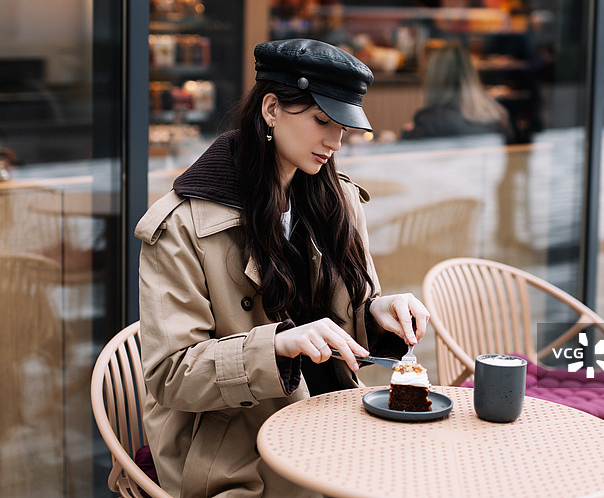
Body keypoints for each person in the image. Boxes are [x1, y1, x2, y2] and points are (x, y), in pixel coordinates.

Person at [135, 38, 431, 498]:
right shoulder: (184, 224)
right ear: (271, 108)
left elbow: (342, 321)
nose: (335, 142)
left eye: (343, 128)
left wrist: (378, 312)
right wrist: (277, 346)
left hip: (332, 423)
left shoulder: (339, 202)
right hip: (236, 451)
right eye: (321, 121)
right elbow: (171, 375)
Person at [401, 42, 511, 141]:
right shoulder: (497, 115)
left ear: (432, 78)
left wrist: (406, 132)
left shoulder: (431, 121)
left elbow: (406, 151)